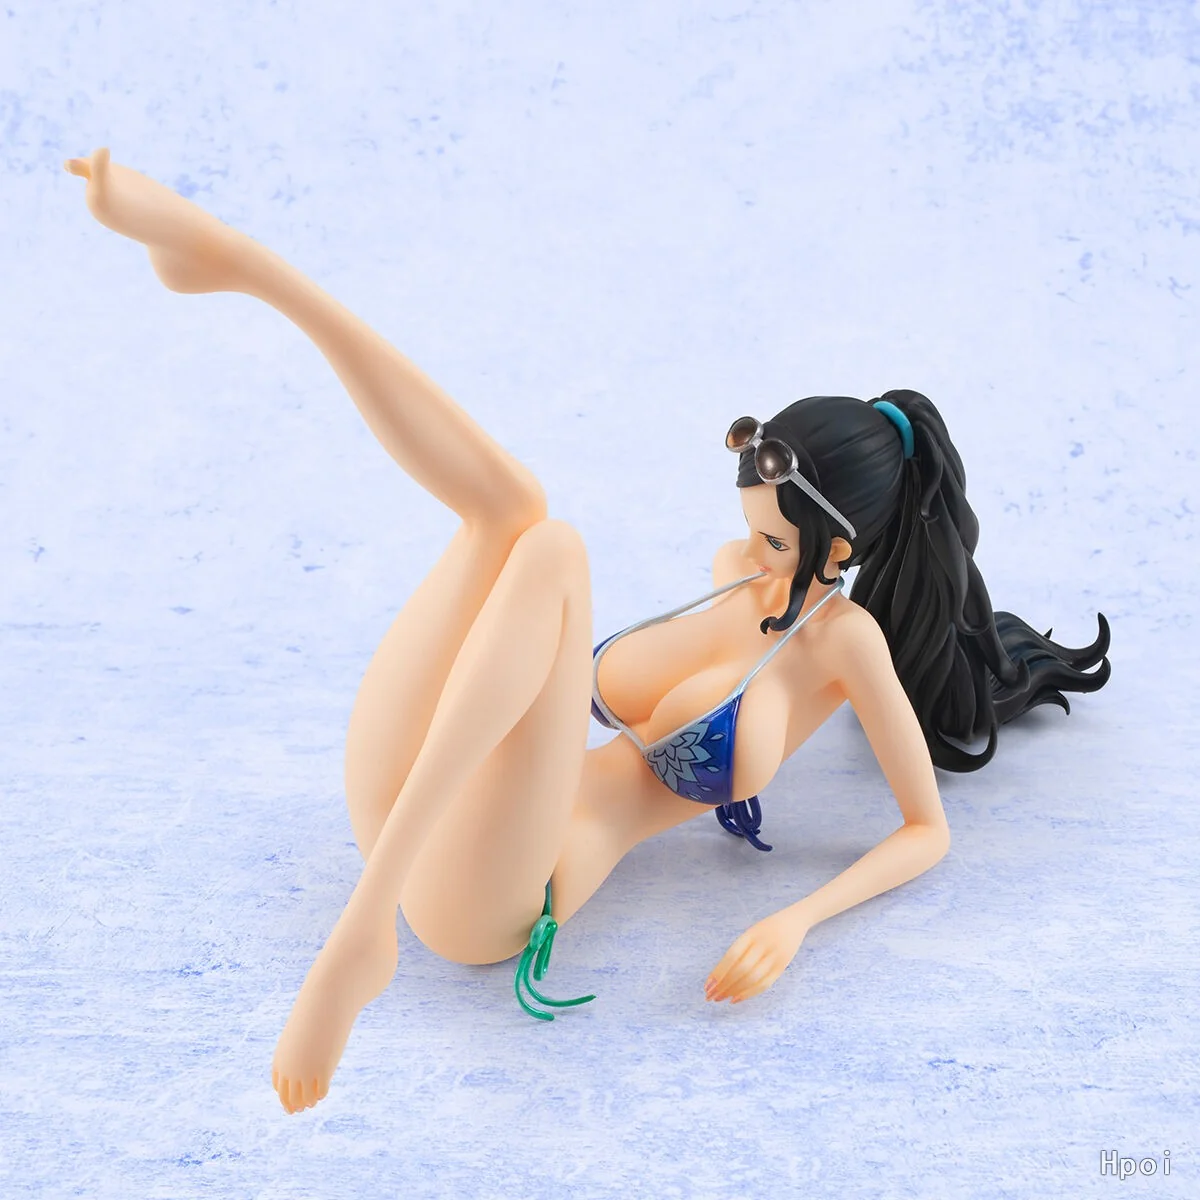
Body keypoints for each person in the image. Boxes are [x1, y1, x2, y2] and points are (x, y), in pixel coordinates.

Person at [65, 148, 1111, 1114]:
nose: (750, 552)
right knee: (510, 515)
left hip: (492, 897)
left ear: (839, 551)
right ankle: (251, 269)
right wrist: (750, 556)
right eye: (748, 525)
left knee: (551, 542)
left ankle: (359, 934)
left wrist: (794, 922)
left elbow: (927, 833)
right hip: (411, 802)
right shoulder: (729, 571)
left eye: (776, 542)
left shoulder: (845, 649)